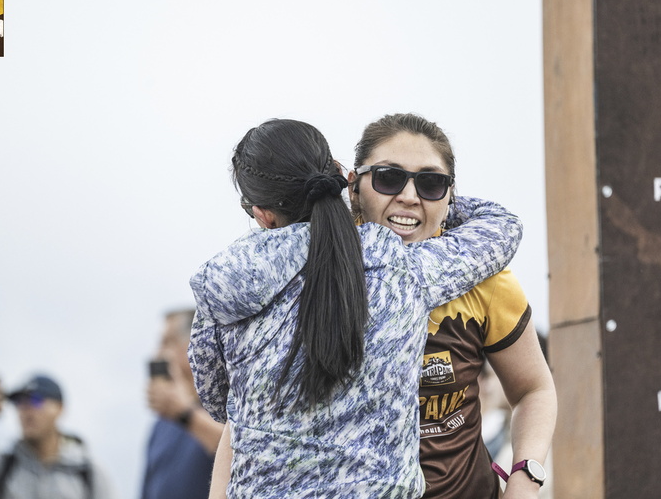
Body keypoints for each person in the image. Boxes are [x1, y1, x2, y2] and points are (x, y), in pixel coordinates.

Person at [188, 118, 523, 498]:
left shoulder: (220, 285)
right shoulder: (394, 265)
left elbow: (218, 402)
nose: (407, 195)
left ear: (262, 213)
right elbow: (501, 227)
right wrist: (433, 195)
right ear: (343, 179)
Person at [348, 113, 557, 499]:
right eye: (388, 178)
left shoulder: (487, 281)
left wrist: (524, 480)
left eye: (431, 183)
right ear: (354, 187)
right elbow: (252, 413)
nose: (409, 196)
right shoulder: (313, 278)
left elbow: (533, 389)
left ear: (450, 195)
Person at [0, 373, 115, 499]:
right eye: (19, 403)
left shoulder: (88, 474)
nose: (26, 410)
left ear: (60, 408)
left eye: (36, 400)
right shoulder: (2, 467)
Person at [142, 309, 223, 499]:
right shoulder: (162, 424)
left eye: (168, 342)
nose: (159, 353)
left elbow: (243, 452)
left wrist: (186, 413)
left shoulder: (225, 407)